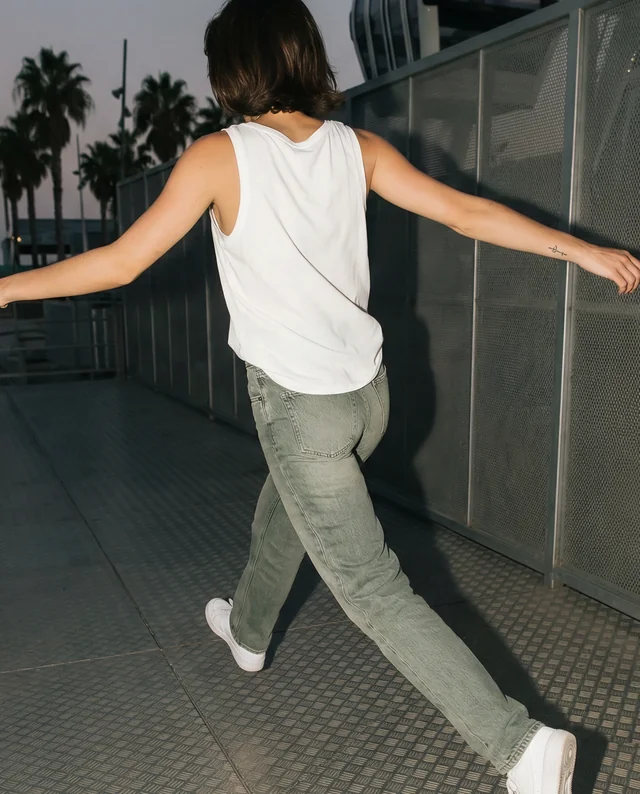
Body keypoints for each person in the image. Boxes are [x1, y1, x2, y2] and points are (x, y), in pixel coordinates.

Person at [1, 0, 638, 790]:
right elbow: (463, 212)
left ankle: (520, 749)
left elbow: (121, 264)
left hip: (300, 410)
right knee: (288, 509)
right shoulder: (356, 148)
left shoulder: (218, 156)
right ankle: (247, 628)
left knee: (371, 586)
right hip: (368, 400)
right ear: (304, 55)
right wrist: (577, 248)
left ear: (231, 69)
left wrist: (4, 290)